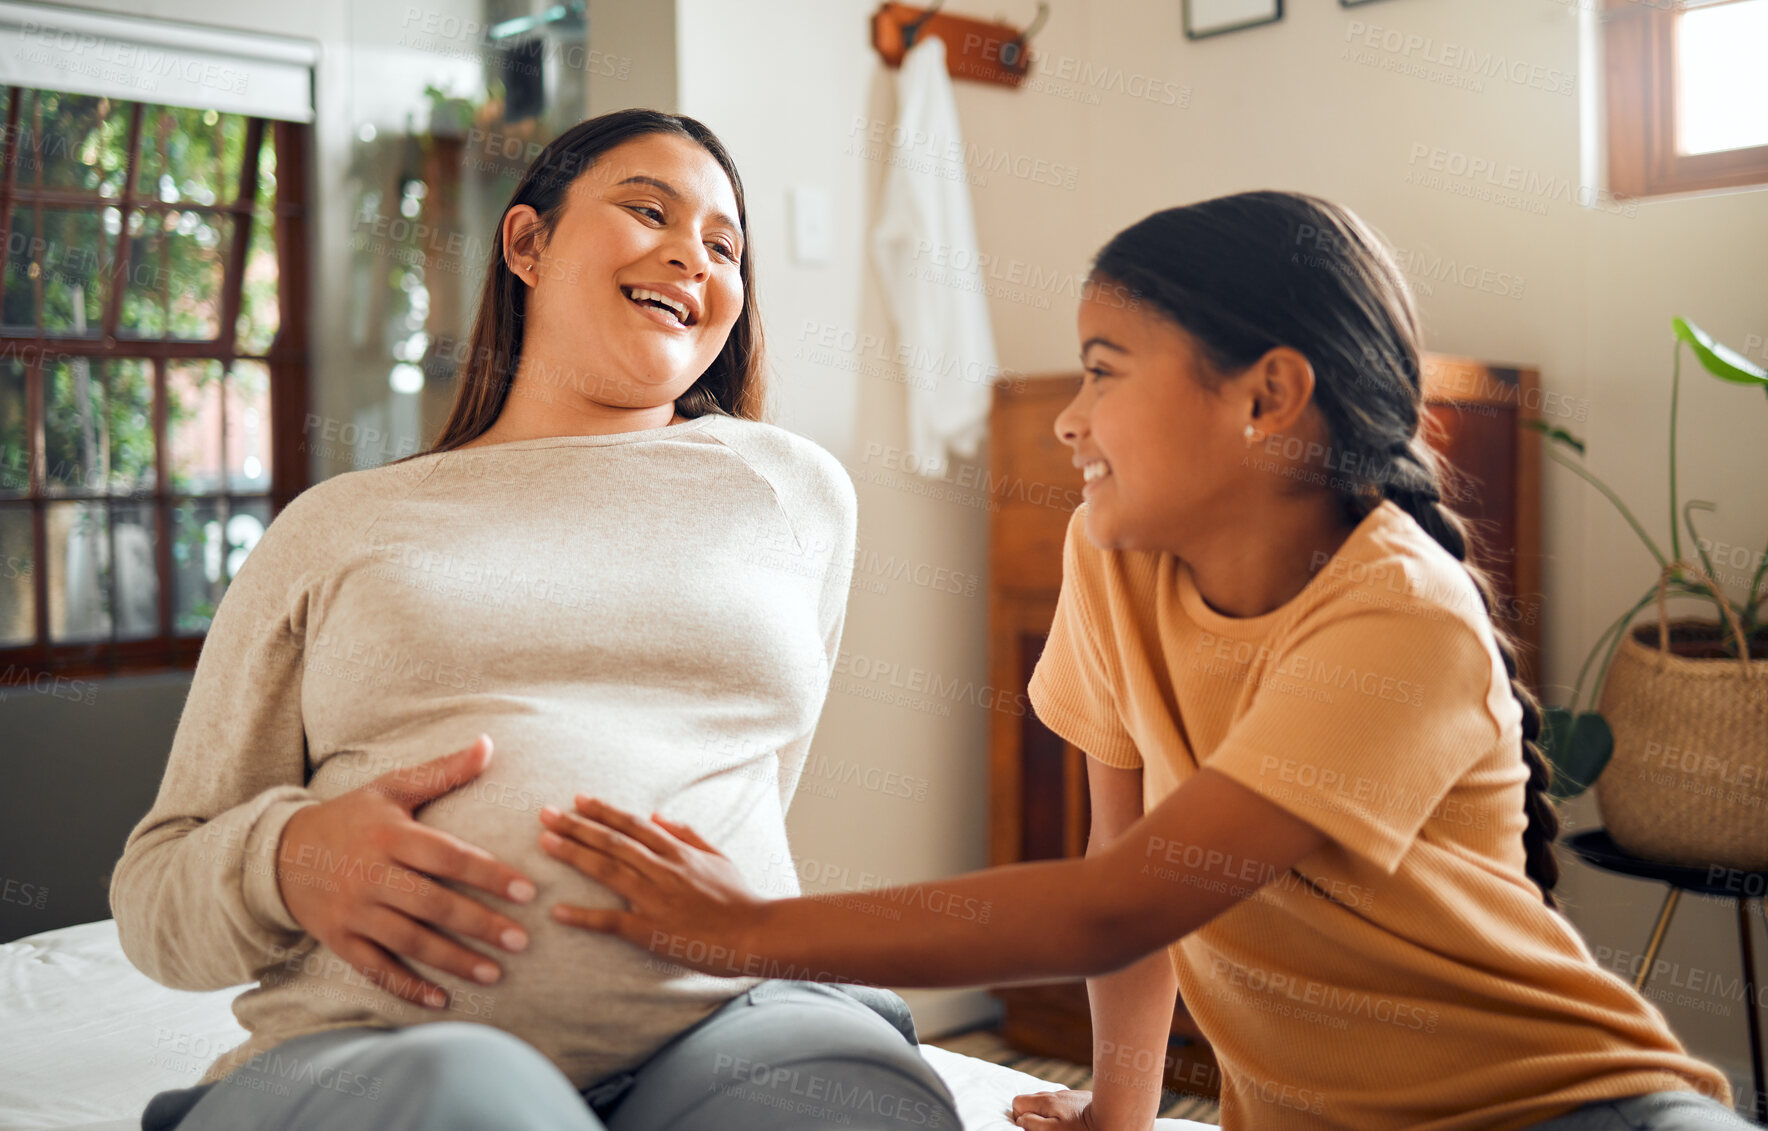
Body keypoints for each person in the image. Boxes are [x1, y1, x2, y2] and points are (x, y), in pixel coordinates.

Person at [540, 192, 1753, 1131]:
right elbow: (1115, 869)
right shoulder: (1115, 558)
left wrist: (746, 932)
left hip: (1569, 1108)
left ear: (1266, 397)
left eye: (1105, 369)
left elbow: (1116, 903)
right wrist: (1120, 1106)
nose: (1070, 418)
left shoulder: (1400, 616)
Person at [110, 109, 959, 1131]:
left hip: (727, 1024)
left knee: (857, 1096)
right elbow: (155, 900)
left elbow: (756, 788)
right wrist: (286, 861)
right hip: (381, 1048)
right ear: (527, 243)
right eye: (649, 209)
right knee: (476, 1105)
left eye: (725, 245)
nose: (691, 253)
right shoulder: (335, 526)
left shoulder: (791, 491)